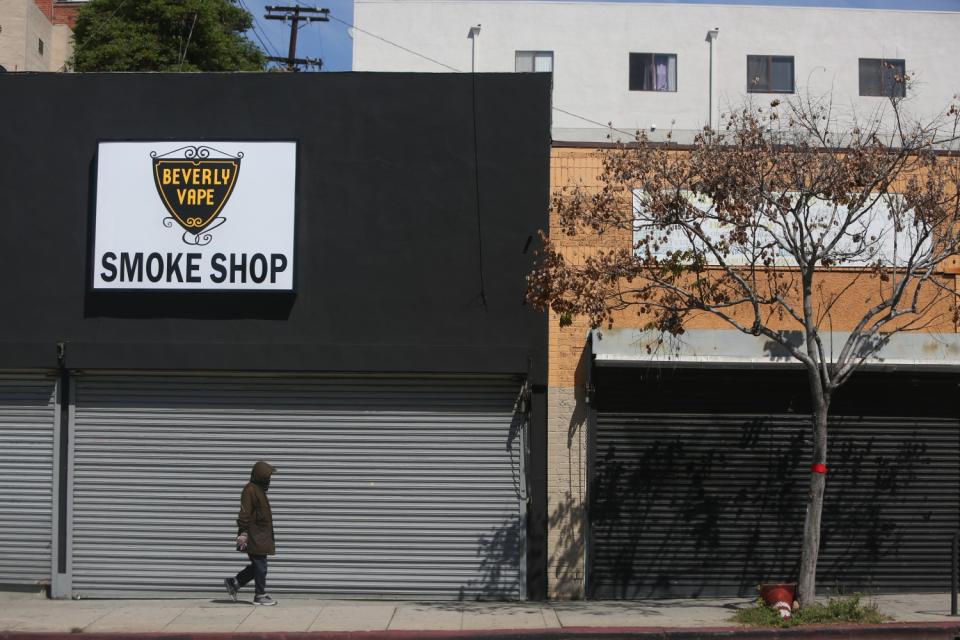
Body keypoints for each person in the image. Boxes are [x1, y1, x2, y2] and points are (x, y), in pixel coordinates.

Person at [224, 461, 278, 606]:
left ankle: (234, 583)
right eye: (268, 477)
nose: (269, 480)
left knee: (257, 566)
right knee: (261, 566)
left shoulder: (259, 490)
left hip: (261, 536)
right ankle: (260, 595)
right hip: (254, 536)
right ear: (261, 477)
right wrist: (243, 533)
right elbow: (244, 514)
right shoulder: (250, 490)